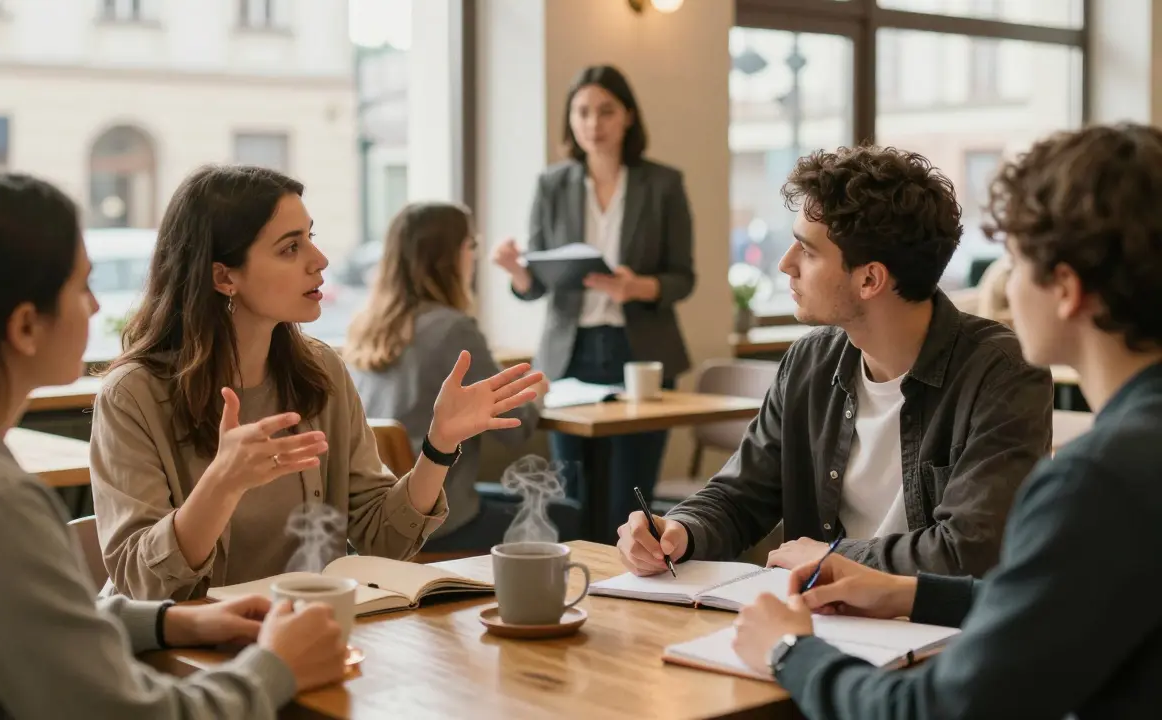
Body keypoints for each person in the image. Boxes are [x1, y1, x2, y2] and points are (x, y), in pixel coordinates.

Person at [729, 122, 1162, 720]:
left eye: (1014, 259)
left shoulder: (1099, 481)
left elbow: (939, 710)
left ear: (1065, 288)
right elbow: (1061, 602)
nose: (1004, 286)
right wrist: (908, 590)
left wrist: (787, 650)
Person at [0, 169, 351, 718]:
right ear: (26, 327)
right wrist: (277, 667)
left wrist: (169, 621)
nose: (98, 308)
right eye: (83, 286)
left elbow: (24, 618)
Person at [90, 165, 541, 601]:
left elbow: (382, 541)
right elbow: (140, 584)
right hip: (191, 658)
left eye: (311, 238)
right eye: (290, 248)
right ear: (224, 276)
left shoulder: (321, 370)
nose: (319, 260)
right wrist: (221, 485)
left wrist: (439, 447)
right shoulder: (132, 395)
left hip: (314, 633)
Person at [617, 145, 1053, 579]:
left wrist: (832, 558)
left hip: (936, 636)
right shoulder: (811, 361)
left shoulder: (1002, 373)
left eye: (807, 251)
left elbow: (971, 550)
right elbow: (741, 496)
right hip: (819, 621)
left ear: (869, 279)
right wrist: (679, 529)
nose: (786, 264)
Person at [492, 64, 695, 537]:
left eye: (605, 111)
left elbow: (683, 278)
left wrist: (637, 286)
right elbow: (537, 284)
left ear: (627, 116)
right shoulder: (553, 184)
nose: (593, 123)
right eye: (582, 111)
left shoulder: (662, 184)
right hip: (570, 355)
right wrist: (520, 273)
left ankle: (632, 596)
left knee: (630, 497)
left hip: (639, 353)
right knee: (573, 494)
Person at [346, 202, 579, 552]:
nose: (474, 257)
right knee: (573, 517)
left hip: (377, 518)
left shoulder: (365, 327)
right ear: (450, 258)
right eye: (471, 246)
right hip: (437, 523)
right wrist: (539, 390)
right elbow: (515, 428)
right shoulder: (452, 330)